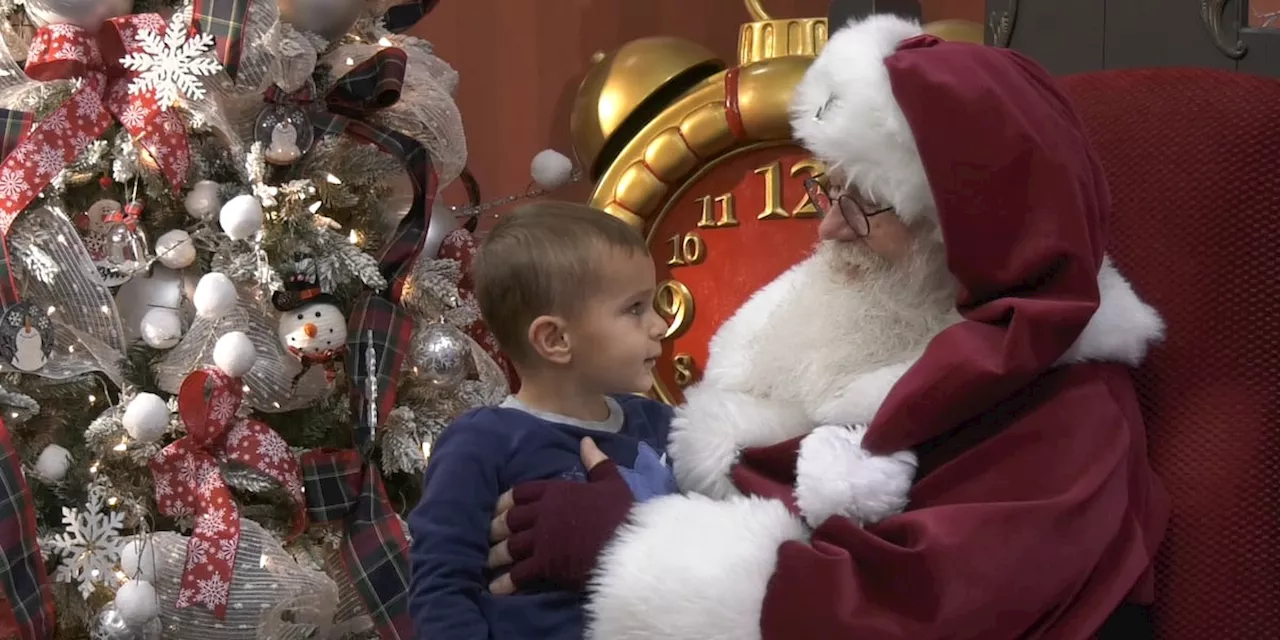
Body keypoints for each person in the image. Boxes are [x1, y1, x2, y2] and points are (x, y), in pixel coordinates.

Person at [485, 15, 1170, 640]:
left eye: (868, 202)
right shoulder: (831, 328)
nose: (829, 226)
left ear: (973, 234)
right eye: (828, 185)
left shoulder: (1068, 418)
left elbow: (895, 612)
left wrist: (625, 547)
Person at [407, 202, 676, 639]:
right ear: (555, 339)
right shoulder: (482, 442)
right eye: (635, 309)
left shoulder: (662, 425)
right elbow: (442, 587)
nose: (659, 325)